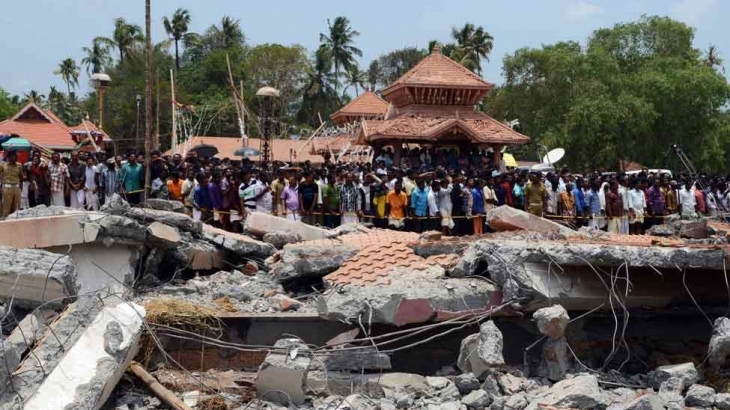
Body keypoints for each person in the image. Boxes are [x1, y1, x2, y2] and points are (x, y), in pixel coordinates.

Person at [0, 151, 23, 217]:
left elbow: (21, 177)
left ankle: (14, 221)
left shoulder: (19, 165)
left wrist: (20, 188)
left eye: (16, 156)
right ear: (9, 157)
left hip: (16, 188)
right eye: (14, 156)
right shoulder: (3, 165)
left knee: (16, 207)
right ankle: (4, 220)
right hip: (7, 188)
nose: (16, 157)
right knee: (6, 207)